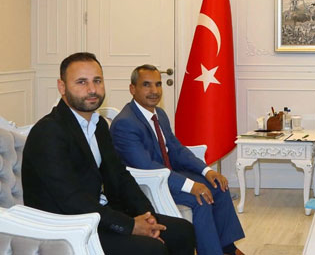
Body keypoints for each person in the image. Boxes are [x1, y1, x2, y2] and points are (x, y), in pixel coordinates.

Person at [22, 52, 195, 255]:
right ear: (62, 87)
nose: (92, 89)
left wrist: (147, 216)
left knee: (182, 231)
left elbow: (120, 176)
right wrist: (130, 226)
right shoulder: (48, 132)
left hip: (98, 216)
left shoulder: (99, 125)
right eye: (81, 82)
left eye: (97, 81)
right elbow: (71, 200)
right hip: (68, 228)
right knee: (152, 249)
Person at [110, 64, 245, 255]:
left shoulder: (159, 114)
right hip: (146, 185)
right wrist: (191, 186)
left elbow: (176, 150)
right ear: (133, 89)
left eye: (158, 84)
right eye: (146, 85)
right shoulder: (126, 123)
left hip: (167, 176)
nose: (154, 91)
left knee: (219, 186)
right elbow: (146, 166)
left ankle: (227, 248)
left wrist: (207, 171)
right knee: (201, 198)